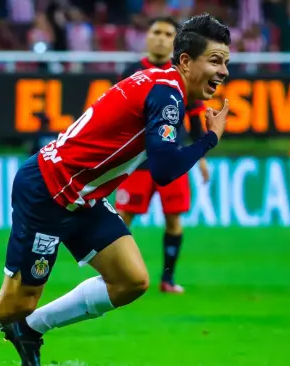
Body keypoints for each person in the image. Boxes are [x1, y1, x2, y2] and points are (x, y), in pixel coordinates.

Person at [0, 13, 231, 366]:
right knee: (15, 301)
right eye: (215, 61)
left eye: (226, 63)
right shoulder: (166, 93)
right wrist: (210, 139)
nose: (223, 72)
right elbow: (163, 169)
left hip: (83, 196)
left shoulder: (160, 84)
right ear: (186, 61)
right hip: (50, 192)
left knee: (131, 280)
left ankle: (29, 329)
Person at [115, 16, 210, 294]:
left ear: (175, 40)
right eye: (156, 32)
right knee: (122, 219)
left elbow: (193, 115)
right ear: (147, 37)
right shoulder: (131, 71)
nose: (160, 37)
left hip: (171, 161)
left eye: (167, 33)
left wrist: (201, 157)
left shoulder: (184, 73)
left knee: (173, 219)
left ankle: (168, 279)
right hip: (137, 162)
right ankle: (116, 274)